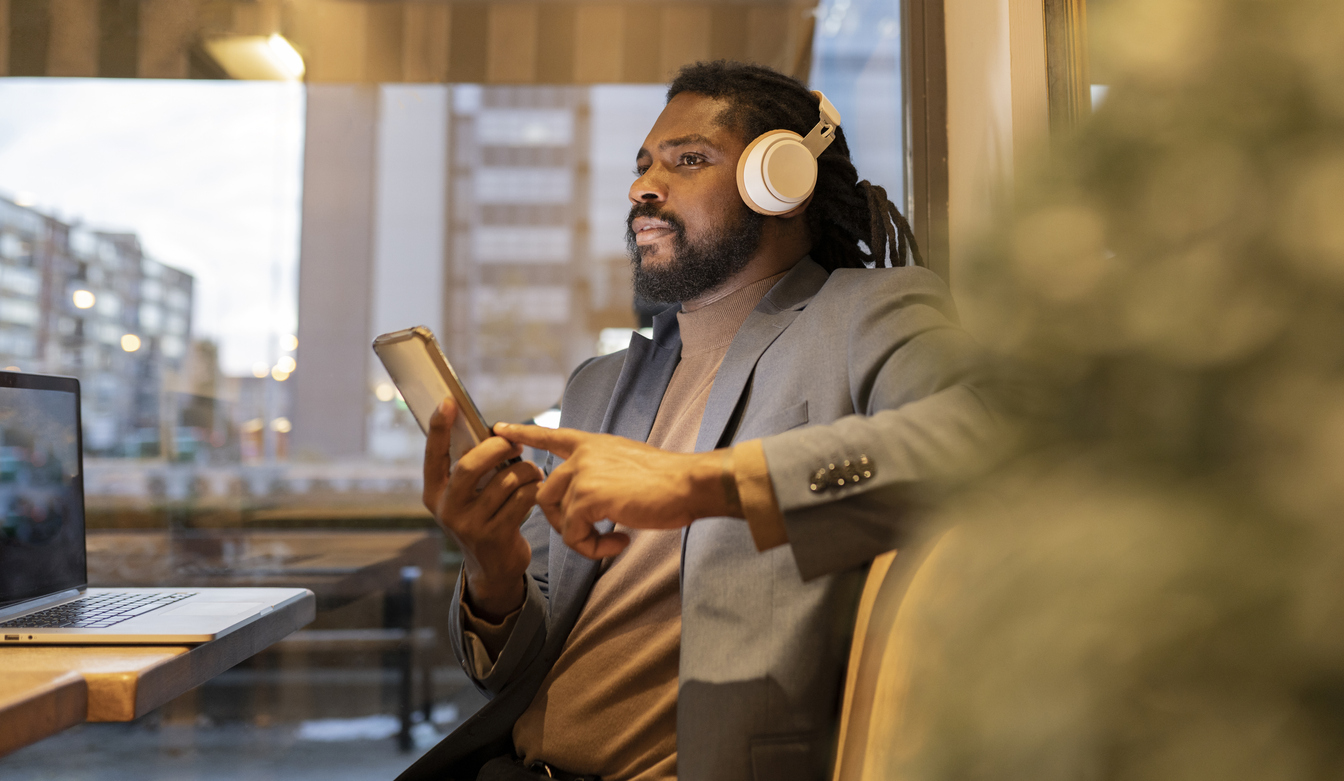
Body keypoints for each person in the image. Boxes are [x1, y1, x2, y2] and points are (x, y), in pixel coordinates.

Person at [400, 61, 994, 781]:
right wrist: (491, 565)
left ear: (779, 180)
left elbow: (984, 439)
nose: (642, 188)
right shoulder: (597, 389)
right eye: (643, 165)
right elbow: (514, 673)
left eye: (687, 160)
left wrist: (708, 484)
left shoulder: (866, 316)